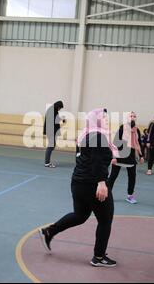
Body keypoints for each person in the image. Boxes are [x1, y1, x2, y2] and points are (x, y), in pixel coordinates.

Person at [38, 108, 118, 267]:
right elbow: (96, 162)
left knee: (80, 215)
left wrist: (109, 159)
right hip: (92, 184)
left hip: (78, 183)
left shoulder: (86, 134)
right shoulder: (99, 136)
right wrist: (102, 183)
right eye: (104, 117)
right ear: (96, 120)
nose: (106, 120)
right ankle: (99, 257)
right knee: (105, 220)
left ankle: (49, 231)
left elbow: (85, 159)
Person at [107, 112, 144, 204]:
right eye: (131, 116)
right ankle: (107, 194)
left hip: (131, 156)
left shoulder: (137, 130)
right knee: (113, 176)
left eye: (134, 116)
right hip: (120, 155)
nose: (132, 117)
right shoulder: (122, 128)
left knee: (132, 177)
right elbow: (116, 142)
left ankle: (130, 196)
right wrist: (114, 156)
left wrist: (141, 155)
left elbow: (138, 143)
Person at [43, 101, 64, 168]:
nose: (60, 109)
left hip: (52, 131)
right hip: (51, 131)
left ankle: (47, 162)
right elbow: (53, 120)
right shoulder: (52, 111)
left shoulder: (53, 110)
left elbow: (56, 118)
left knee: (52, 146)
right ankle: (47, 163)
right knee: (51, 146)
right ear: (58, 106)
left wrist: (61, 119)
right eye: (60, 108)